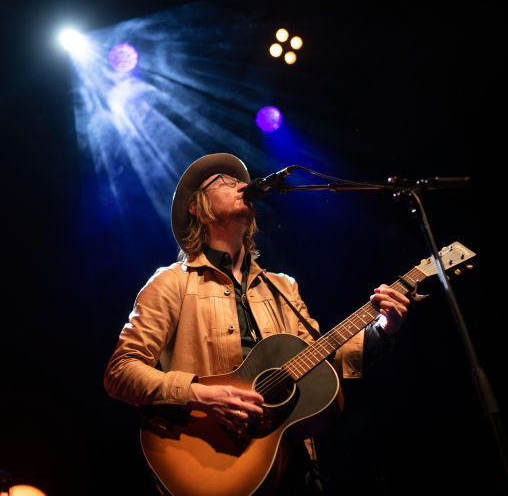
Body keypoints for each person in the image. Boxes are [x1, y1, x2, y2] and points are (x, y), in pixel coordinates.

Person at [104, 153, 410, 495]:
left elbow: (321, 362)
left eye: (239, 180)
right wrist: (200, 395)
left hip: (288, 463)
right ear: (196, 207)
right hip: (211, 461)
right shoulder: (171, 283)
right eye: (224, 181)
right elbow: (121, 372)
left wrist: (383, 328)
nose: (240, 184)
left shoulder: (283, 287)